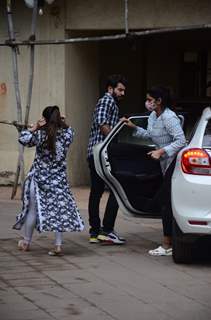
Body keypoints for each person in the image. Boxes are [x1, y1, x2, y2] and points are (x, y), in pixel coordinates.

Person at [13, 106, 84, 256]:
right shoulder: (67, 134)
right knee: (59, 212)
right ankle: (58, 245)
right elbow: (70, 130)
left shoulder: (40, 135)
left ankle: (26, 242)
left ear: (45, 119)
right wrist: (63, 122)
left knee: (32, 211)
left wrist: (35, 127)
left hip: (39, 181)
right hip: (59, 182)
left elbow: (22, 139)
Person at [124, 86, 186, 256]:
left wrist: (161, 151)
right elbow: (151, 135)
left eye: (150, 99)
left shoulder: (169, 117)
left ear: (159, 101)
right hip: (164, 164)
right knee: (167, 203)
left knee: (165, 203)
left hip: (175, 162)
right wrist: (133, 127)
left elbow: (181, 141)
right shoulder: (153, 116)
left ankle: (167, 245)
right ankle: (173, 240)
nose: (147, 103)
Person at [87, 74, 127, 244]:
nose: (122, 93)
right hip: (102, 154)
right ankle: (107, 230)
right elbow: (102, 124)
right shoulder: (107, 100)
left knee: (96, 192)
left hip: (96, 154)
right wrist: (114, 138)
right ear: (110, 89)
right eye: (120, 89)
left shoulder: (109, 102)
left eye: (124, 90)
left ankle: (95, 232)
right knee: (117, 189)